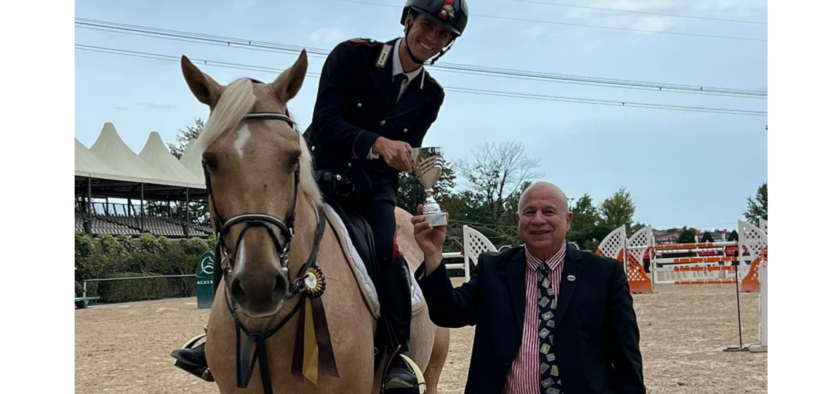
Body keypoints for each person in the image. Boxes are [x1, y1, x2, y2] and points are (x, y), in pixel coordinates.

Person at [172, 0, 470, 390]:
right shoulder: (352, 56)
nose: (431, 38)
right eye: (427, 26)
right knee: (250, 222)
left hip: (372, 192)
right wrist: (378, 143)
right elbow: (327, 123)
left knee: (388, 252)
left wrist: (402, 158)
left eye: (443, 35)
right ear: (408, 19)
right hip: (318, 177)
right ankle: (217, 338)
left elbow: (407, 150)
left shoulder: (431, 94)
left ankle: (397, 356)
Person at [412, 182, 645, 394]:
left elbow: (626, 357)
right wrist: (433, 255)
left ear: (568, 220)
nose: (538, 220)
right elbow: (449, 312)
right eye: (529, 212)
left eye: (549, 211)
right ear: (519, 219)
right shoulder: (493, 269)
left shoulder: (604, 274)